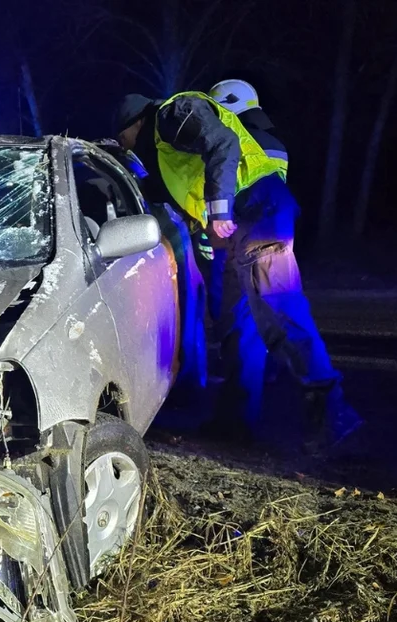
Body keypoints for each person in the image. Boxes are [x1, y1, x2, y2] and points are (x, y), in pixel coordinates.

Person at [114, 89, 359, 452]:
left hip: (258, 210)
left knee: (279, 312)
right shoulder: (164, 150)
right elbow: (168, 188)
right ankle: (236, 423)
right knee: (238, 326)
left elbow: (223, 143)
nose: (127, 146)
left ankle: (334, 412)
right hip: (240, 225)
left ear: (135, 123)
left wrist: (219, 210)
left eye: (123, 138)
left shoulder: (173, 114)